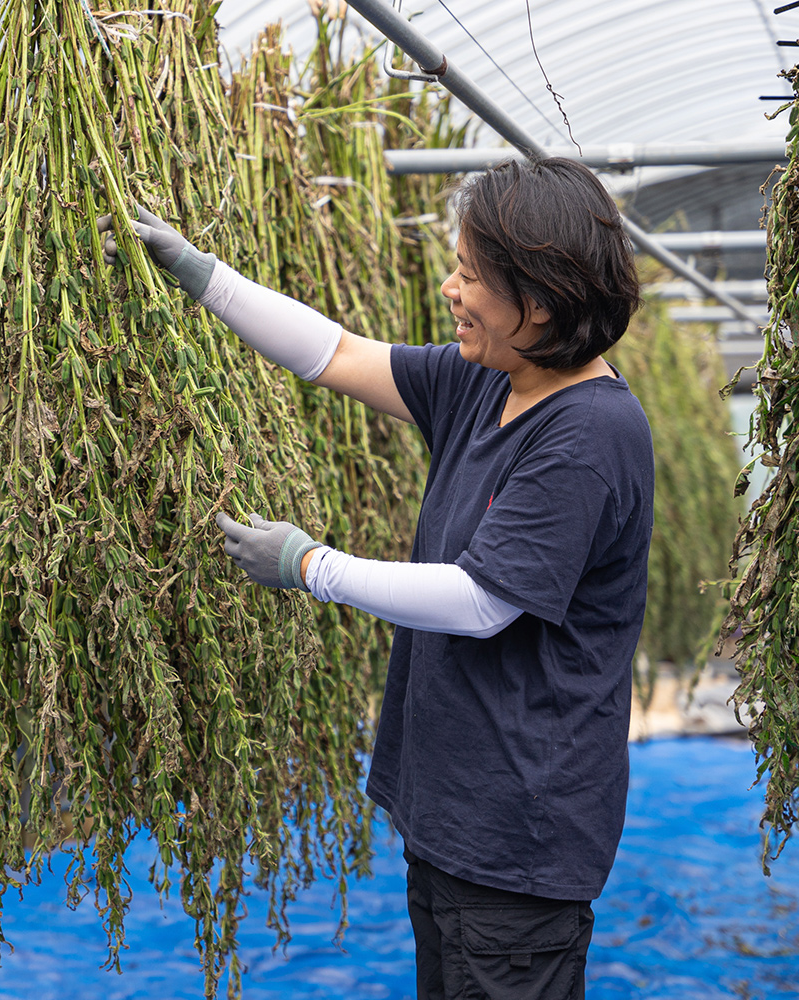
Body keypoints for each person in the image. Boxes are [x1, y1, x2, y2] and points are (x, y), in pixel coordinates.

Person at [97, 156, 653, 1000]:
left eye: (469, 275)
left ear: (537, 303)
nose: (449, 288)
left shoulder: (589, 434)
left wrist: (312, 566)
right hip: (454, 816)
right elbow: (338, 354)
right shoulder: (489, 382)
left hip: (517, 840)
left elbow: (480, 601)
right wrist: (202, 276)